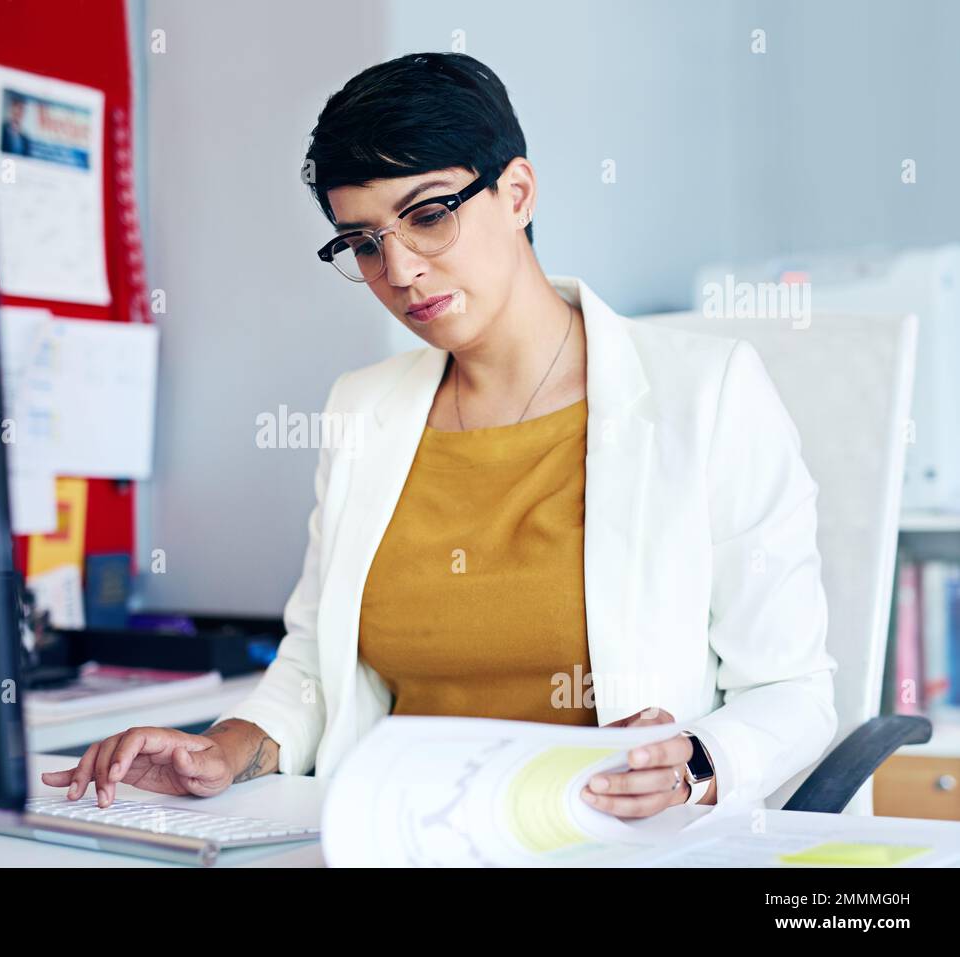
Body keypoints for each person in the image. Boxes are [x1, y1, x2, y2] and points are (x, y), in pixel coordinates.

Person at [43, 52, 838, 820]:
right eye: (363, 241)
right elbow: (316, 667)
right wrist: (222, 748)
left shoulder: (707, 392)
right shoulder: (364, 410)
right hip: (401, 835)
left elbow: (793, 693)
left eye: (427, 217)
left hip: (607, 843)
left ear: (517, 191)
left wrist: (696, 763)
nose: (400, 270)